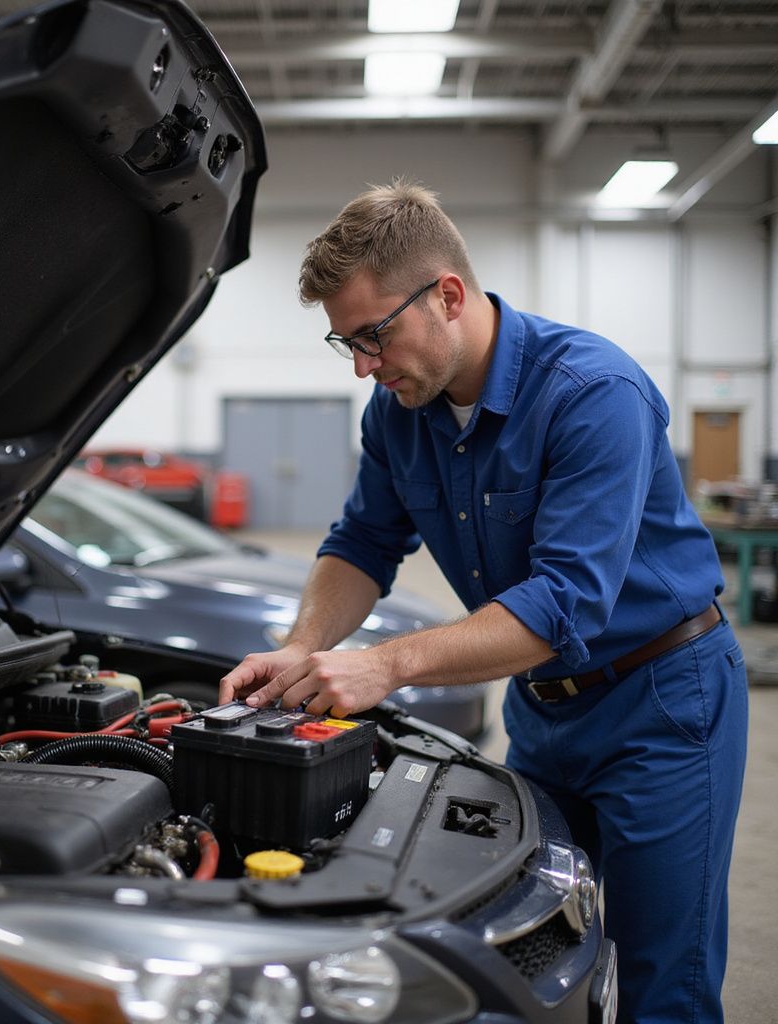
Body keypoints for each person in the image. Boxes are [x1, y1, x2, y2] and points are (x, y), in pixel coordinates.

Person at [219, 180, 748, 1024]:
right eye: (342, 342)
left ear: (449, 296)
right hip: (542, 709)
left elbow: (566, 602)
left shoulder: (590, 393)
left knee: (662, 979)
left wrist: (386, 664)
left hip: (662, 703)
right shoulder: (399, 414)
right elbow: (361, 544)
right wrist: (301, 645)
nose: (362, 364)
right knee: (536, 946)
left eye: (371, 335)